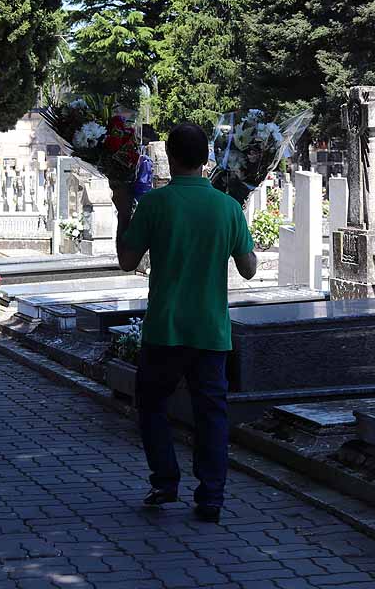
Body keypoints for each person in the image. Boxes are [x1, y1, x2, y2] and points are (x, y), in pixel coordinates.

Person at [115, 123, 257, 523]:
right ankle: (211, 496)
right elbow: (248, 270)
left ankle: (165, 480)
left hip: (165, 327)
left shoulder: (156, 204)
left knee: (152, 406)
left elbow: (127, 261)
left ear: (171, 159)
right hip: (211, 331)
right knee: (211, 414)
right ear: (207, 158)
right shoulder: (227, 208)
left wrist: (122, 207)